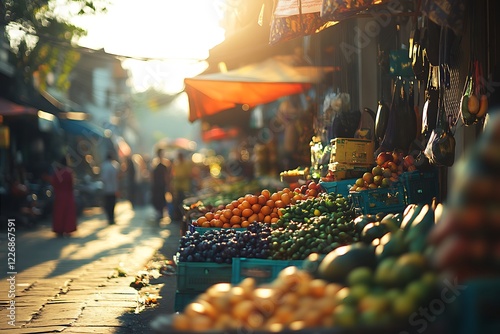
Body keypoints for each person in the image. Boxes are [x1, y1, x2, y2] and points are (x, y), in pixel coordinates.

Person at [48, 156, 77, 237]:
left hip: (59, 196)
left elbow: (54, 184)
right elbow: (71, 185)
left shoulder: (57, 173)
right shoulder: (69, 172)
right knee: (68, 213)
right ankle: (68, 229)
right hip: (68, 195)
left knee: (59, 213)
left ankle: (59, 230)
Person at [151, 148, 171, 222]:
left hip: (161, 185)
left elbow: (167, 177)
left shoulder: (165, 164)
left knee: (161, 198)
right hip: (157, 185)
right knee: (157, 199)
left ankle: (161, 212)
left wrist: (168, 185)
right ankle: (159, 212)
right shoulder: (154, 163)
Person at [171, 151, 192, 222]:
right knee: (177, 202)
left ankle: (183, 216)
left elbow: (189, 174)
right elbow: (173, 174)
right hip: (177, 186)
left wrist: (182, 177)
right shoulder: (176, 164)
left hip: (184, 187)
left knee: (184, 202)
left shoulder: (187, 164)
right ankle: (177, 216)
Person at [101, 152, 119, 225]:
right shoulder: (113, 166)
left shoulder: (103, 166)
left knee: (107, 204)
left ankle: (109, 218)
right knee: (112, 205)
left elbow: (103, 178)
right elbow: (115, 179)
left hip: (106, 189)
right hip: (113, 189)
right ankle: (112, 218)